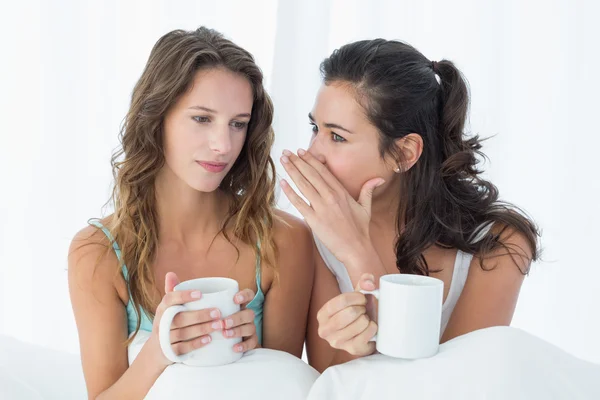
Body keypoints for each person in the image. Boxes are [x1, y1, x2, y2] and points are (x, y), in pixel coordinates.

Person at [68, 27, 314, 399]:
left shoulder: (285, 240)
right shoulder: (97, 254)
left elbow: (282, 383)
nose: (223, 145)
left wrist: (252, 352)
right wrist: (159, 350)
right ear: (157, 117)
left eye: (238, 124)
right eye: (202, 118)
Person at [279, 38, 540, 373]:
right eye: (316, 128)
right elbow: (331, 384)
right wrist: (357, 346)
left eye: (338, 137)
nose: (312, 152)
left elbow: (455, 385)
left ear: (403, 153)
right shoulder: (315, 236)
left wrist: (359, 255)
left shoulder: (500, 245)